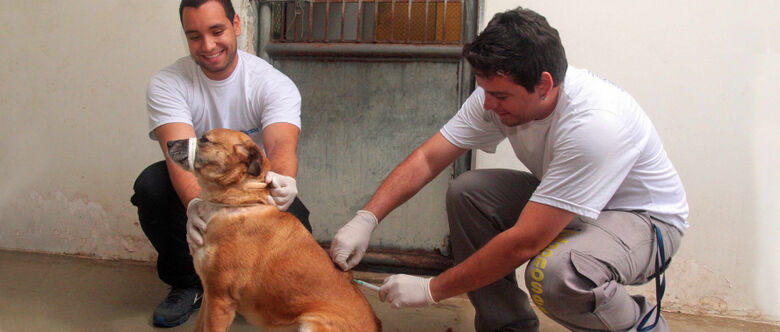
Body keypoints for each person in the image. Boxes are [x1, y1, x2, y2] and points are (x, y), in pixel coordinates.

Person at [329, 7, 688, 332]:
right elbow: (429, 158)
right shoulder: (497, 93)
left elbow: (525, 243)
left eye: (500, 96)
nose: (488, 104)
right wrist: (366, 218)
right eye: (485, 90)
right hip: (577, 207)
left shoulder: (595, 125)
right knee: (469, 192)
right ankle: (507, 327)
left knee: (557, 274)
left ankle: (641, 326)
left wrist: (431, 289)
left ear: (544, 85)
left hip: (643, 221)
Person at [130, 0, 311, 327]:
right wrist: (197, 204)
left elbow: (281, 144)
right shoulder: (168, 83)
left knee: (296, 225)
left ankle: (246, 289)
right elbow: (180, 153)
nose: (208, 46)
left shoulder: (270, 82)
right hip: (203, 181)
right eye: (195, 36)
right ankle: (188, 283)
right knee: (152, 187)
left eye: (217, 31)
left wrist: (282, 182)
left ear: (236, 25)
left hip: (252, 187)